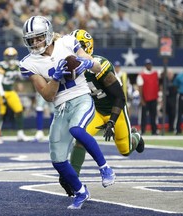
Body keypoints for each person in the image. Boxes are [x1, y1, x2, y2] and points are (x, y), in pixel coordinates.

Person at [19, 16, 115, 210]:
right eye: (31, 39)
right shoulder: (28, 63)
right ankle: (81, 192)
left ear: (47, 34)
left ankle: (105, 168)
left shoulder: (68, 42)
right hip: (60, 107)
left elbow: (96, 67)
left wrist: (87, 64)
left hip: (81, 97)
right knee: (58, 159)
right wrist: (54, 79)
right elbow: (47, 95)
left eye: (38, 38)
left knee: (77, 130)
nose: (35, 43)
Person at [59, 29, 144, 197]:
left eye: (77, 47)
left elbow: (120, 97)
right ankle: (73, 178)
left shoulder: (98, 66)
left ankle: (136, 137)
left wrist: (111, 121)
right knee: (80, 137)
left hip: (115, 110)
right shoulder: (70, 68)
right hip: (96, 110)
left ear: (86, 48)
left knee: (125, 150)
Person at [0, 47, 30, 144]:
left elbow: (22, 76)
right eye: (9, 56)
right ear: (5, 57)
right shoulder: (2, 65)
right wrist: (2, 95)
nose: (11, 59)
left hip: (11, 91)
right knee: (0, 114)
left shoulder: (17, 65)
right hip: (2, 91)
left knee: (19, 110)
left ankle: (20, 133)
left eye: (12, 56)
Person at [137, 59, 160, 135]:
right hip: (145, 99)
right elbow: (140, 87)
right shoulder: (142, 75)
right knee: (143, 116)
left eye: (150, 64)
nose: (149, 66)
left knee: (154, 115)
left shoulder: (155, 73)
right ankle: (142, 130)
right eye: (147, 64)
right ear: (145, 65)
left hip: (154, 98)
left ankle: (154, 130)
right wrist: (141, 99)